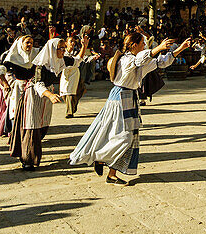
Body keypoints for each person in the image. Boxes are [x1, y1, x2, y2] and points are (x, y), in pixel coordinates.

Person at [70, 30, 189, 183]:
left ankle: (111, 174)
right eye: (142, 44)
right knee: (123, 137)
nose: (144, 46)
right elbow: (142, 59)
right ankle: (100, 157)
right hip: (119, 99)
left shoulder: (138, 60)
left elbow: (160, 62)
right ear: (133, 45)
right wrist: (158, 47)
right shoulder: (127, 60)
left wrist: (181, 48)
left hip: (130, 97)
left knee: (129, 138)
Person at [9, 36, 83, 170]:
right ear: (53, 49)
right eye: (60, 48)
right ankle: (28, 160)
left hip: (47, 95)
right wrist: (49, 95)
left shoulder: (60, 60)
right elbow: (38, 84)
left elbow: (76, 61)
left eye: (63, 48)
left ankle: (30, 156)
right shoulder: (41, 65)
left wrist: (85, 45)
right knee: (32, 127)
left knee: (42, 125)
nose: (63, 51)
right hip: (35, 94)